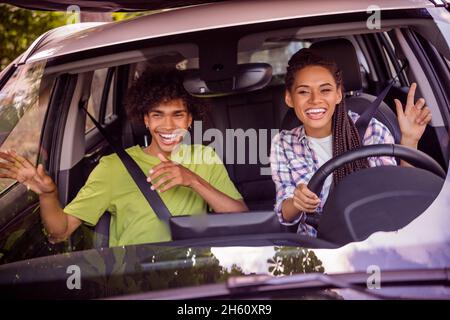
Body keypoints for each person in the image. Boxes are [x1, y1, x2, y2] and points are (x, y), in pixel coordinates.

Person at [0, 67, 248, 246]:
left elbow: (240, 216)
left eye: (178, 114)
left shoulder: (204, 157)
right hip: (133, 282)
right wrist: (48, 195)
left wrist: (192, 180)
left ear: (190, 118)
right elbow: (60, 231)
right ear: (146, 119)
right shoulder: (113, 168)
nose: (169, 125)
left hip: (192, 275)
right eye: (158, 115)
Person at [270, 48, 432, 236]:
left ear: (338, 94)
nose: (315, 100)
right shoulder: (283, 143)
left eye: (325, 90)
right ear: (289, 98)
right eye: (304, 92)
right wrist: (296, 203)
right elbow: (285, 214)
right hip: (319, 247)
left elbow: (397, 191)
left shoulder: (370, 129)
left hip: (376, 236)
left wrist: (410, 140)